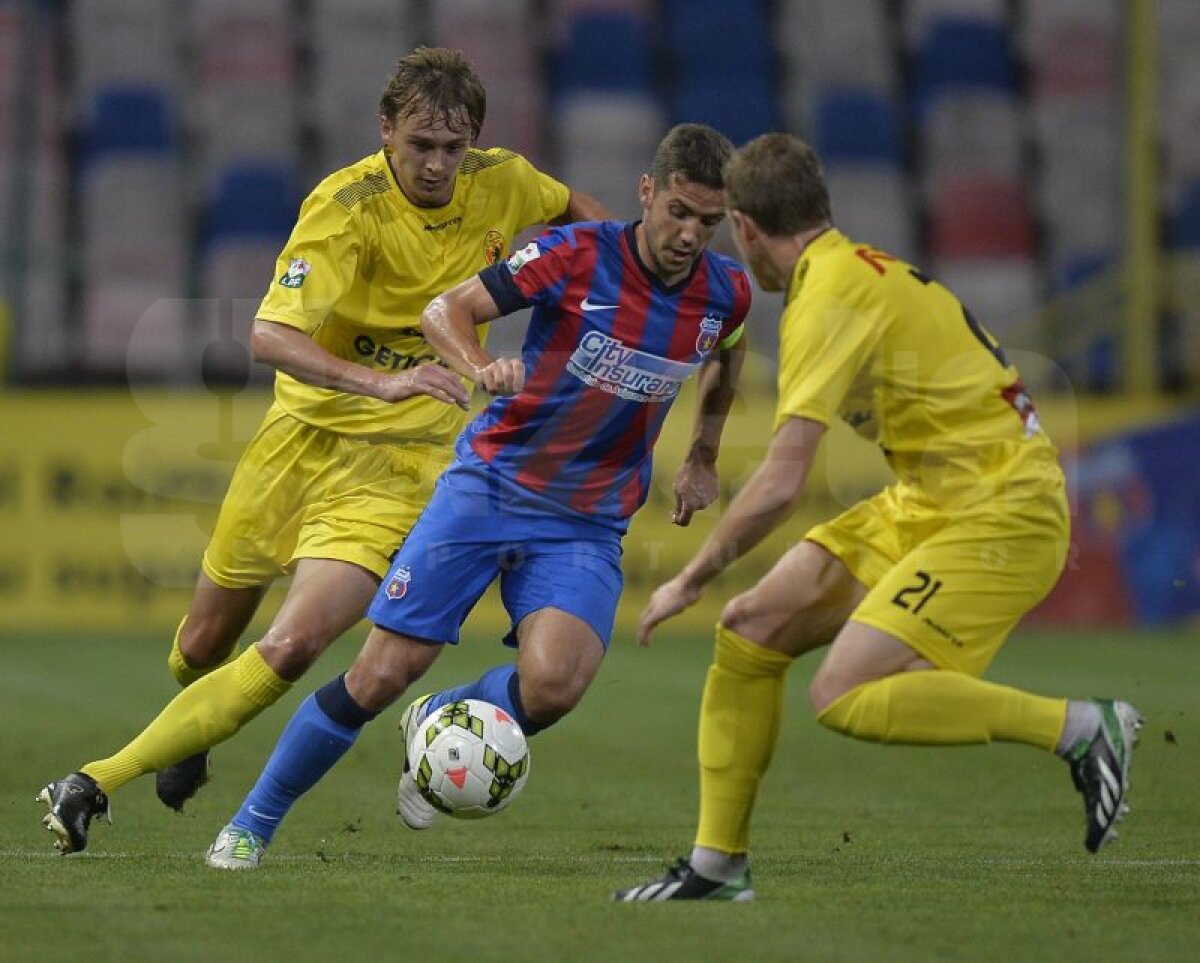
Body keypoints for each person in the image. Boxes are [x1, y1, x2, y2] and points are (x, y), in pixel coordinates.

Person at [38, 46, 609, 855]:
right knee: (202, 646)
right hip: (298, 441)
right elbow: (268, 333)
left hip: (401, 466)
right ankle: (191, 730)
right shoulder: (345, 207)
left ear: (473, 141)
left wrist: (623, 271)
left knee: (297, 641)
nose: (439, 164)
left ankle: (95, 779)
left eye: (454, 147)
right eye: (421, 146)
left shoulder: (504, 179)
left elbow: (575, 213)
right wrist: (378, 382)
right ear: (386, 132)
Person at [201, 122, 752, 869]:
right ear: (647, 193)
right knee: (379, 674)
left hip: (586, 523)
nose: (690, 235)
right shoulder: (574, 255)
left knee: (554, 686)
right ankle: (250, 824)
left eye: (708, 222)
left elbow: (726, 349)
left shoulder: (727, 293)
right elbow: (442, 311)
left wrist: (702, 456)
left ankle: (440, 717)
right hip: (489, 489)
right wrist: (477, 364)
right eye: (679, 212)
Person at [613, 133, 1143, 903]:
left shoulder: (825, 299)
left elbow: (781, 481)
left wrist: (689, 577)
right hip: (932, 498)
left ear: (750, 230)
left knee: (843, 692)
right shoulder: (854, 270)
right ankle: (716, 865)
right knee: (752, 629)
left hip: (1004, 509)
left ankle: (1083, 728)